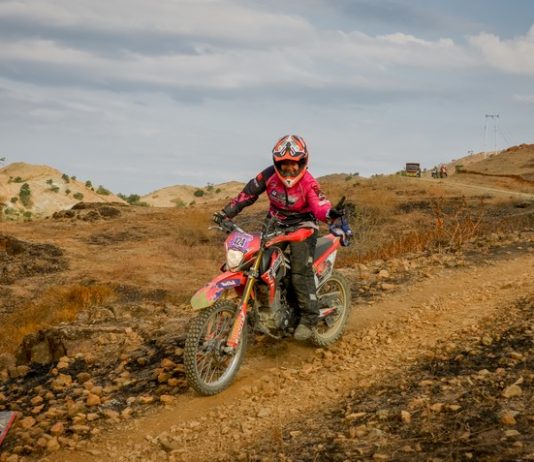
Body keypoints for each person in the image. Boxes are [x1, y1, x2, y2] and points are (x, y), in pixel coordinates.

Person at [212, 134, 345, 341]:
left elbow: (320, 205)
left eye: (294, 163)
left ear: (303, 162)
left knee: (299, 271)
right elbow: (247, 195)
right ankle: (267, 307)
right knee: (259, 262)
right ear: (277, 163)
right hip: (275, 223)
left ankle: (309, 317)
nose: (289, 168)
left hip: (303, 226)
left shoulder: (309, 182)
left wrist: (330, 214)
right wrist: (225, 213)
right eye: (284, 163)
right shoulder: (268, 176)